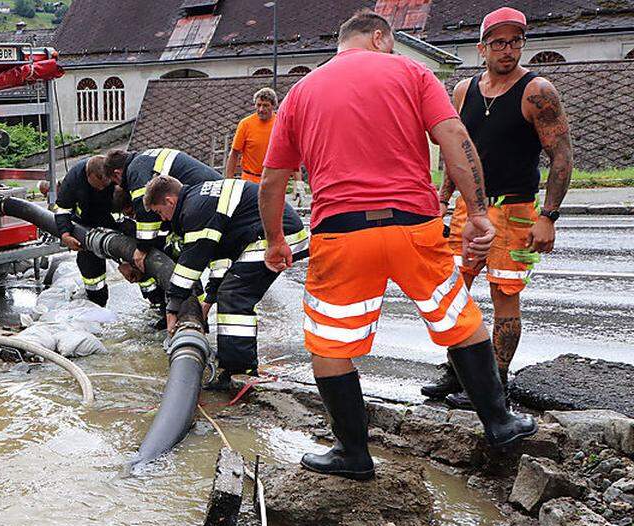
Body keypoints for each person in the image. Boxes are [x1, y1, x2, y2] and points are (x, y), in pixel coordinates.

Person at [257, 9, 537, 481]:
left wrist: (276, 241)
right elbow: (455, 139)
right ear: (381, 38)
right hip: (415, 225)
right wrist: (478, 213)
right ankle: (501, 423)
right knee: (458, 317)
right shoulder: (412, 72)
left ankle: (353, 452)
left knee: (330, 342)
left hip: (342, 233)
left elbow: (272, 180)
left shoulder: (301, 93)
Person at [422, 7, 574, 407]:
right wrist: (442, 198)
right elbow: (456, 151)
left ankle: (494, 384)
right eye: (499, 42)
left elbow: (561, 156)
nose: (508, 50)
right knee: (455, 292)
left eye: (515, 41)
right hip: (467, 210)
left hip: (515, 210)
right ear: (482, 48)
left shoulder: (537, 92)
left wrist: (548, 217)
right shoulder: (463, 90)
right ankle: (457, 372)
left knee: (505, 296)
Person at [144, 175, 310, 388]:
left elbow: (190, 264)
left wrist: (173, 308)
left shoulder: (193, 211)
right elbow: (220, 260)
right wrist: (208, 300)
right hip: (267, 235)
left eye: (160, 212)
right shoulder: (198, 200)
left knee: (234, 295)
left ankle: (239, 371)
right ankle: (234, 363)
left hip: (277, 239)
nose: (164, 219)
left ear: (170, 201)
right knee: (229, 291)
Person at [101, 148, 222, 315]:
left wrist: (141, 250)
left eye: (116, 182)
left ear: (117, 173)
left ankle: (195, 310)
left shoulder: (136, 170)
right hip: (209, 199)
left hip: (205, 205)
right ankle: (194, 307)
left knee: (187, 256)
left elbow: (146, 212)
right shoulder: (145, 159)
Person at [51, 155, 120, 306]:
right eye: (97, 186)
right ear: (88, 175)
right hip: (86, 227)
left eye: (105, 185)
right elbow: (62, 209)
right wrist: (65, 235)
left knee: (138, 261)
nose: (101, 189)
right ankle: (97, 303)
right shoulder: (74, 179)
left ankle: (157, 303)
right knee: (91, 272)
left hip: (116, 224)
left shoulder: (117, 175)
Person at [225, 88, 278, 184]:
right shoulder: (246, 124)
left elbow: (290, 153)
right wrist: (228, 181)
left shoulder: (280, 124)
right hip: (250, 179)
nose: (261, 109)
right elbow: (234, 153)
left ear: (273, 106)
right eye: (258, 105)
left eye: (266, 105)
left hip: (273, 180)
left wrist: (297, 181)